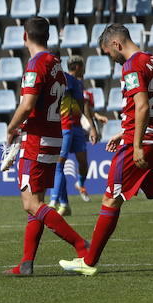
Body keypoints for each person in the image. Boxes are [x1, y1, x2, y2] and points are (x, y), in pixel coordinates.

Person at [60, 24, 153, 278]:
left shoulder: (131, 65)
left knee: (110, 199)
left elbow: (141, 106)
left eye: (109, 53)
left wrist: (135, 142)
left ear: (116, 45)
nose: (112, 58)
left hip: (140, 144)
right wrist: (125, 131)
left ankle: (89, 261)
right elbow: (150, 106)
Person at [0, 18, 89, 275]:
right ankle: (26, 263)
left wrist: (10, 128)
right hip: (53, 136)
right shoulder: (57, 66)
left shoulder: (36, 64)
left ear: (24, 36)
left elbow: (27, 105)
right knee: (37, 201)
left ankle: (82, 246)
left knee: (30, 204)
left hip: (37, 140)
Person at [48, 55, 101, 213]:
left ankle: (66, 199)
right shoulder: (69, 80)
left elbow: (83, 106)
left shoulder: (74, 82)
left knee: (81, 163)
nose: (84, 69)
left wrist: (92, 127)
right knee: (60, 164)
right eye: (83, 66)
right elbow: (81, 105)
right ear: (77, 66)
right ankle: (56, 202)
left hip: (75, 127)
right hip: (65, 126)